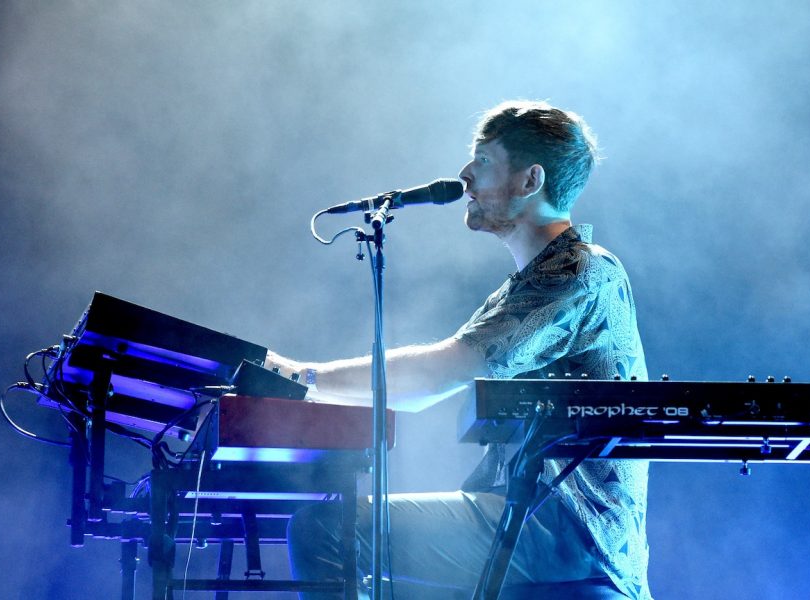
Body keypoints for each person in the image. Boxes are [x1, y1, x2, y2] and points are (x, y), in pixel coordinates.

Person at [265, 100, 651, 599]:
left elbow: (441, 372)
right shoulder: (531, 282)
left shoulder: (577, 273)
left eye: (484, 161)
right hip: (538, 518)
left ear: (530, 180)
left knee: (325, 529)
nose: (465, 175)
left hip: (566, 529)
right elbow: (425, 390)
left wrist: (303, 379)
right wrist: (306, 389)